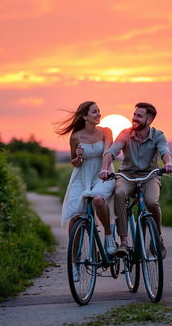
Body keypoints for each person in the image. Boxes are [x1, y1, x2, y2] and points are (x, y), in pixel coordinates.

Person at [99, 102, 172, 259]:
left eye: (139, 116)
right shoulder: (126, 134)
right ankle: (124, 242)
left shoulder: (158, 135)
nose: (134, 118)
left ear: (150, 119)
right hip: (127, 176)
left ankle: (157, 238)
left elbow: (164, 151)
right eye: (134, 115)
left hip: (149, 176)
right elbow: (111, 152)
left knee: (152, 203)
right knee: (119, 194)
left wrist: (168, 163)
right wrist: (104, 168)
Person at [56, 101, 117, 262]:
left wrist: (104, 169)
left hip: (103, 174)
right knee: (75, 216)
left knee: (98, 199)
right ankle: (75, 261)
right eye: (94, 112)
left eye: (99, 111)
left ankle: (109, 236)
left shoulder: (106, 132)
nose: (98, 114)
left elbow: (107, 153)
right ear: (84, 116)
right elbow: (74, 163)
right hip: (81, 177)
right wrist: (79, 156)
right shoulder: (75, 136)